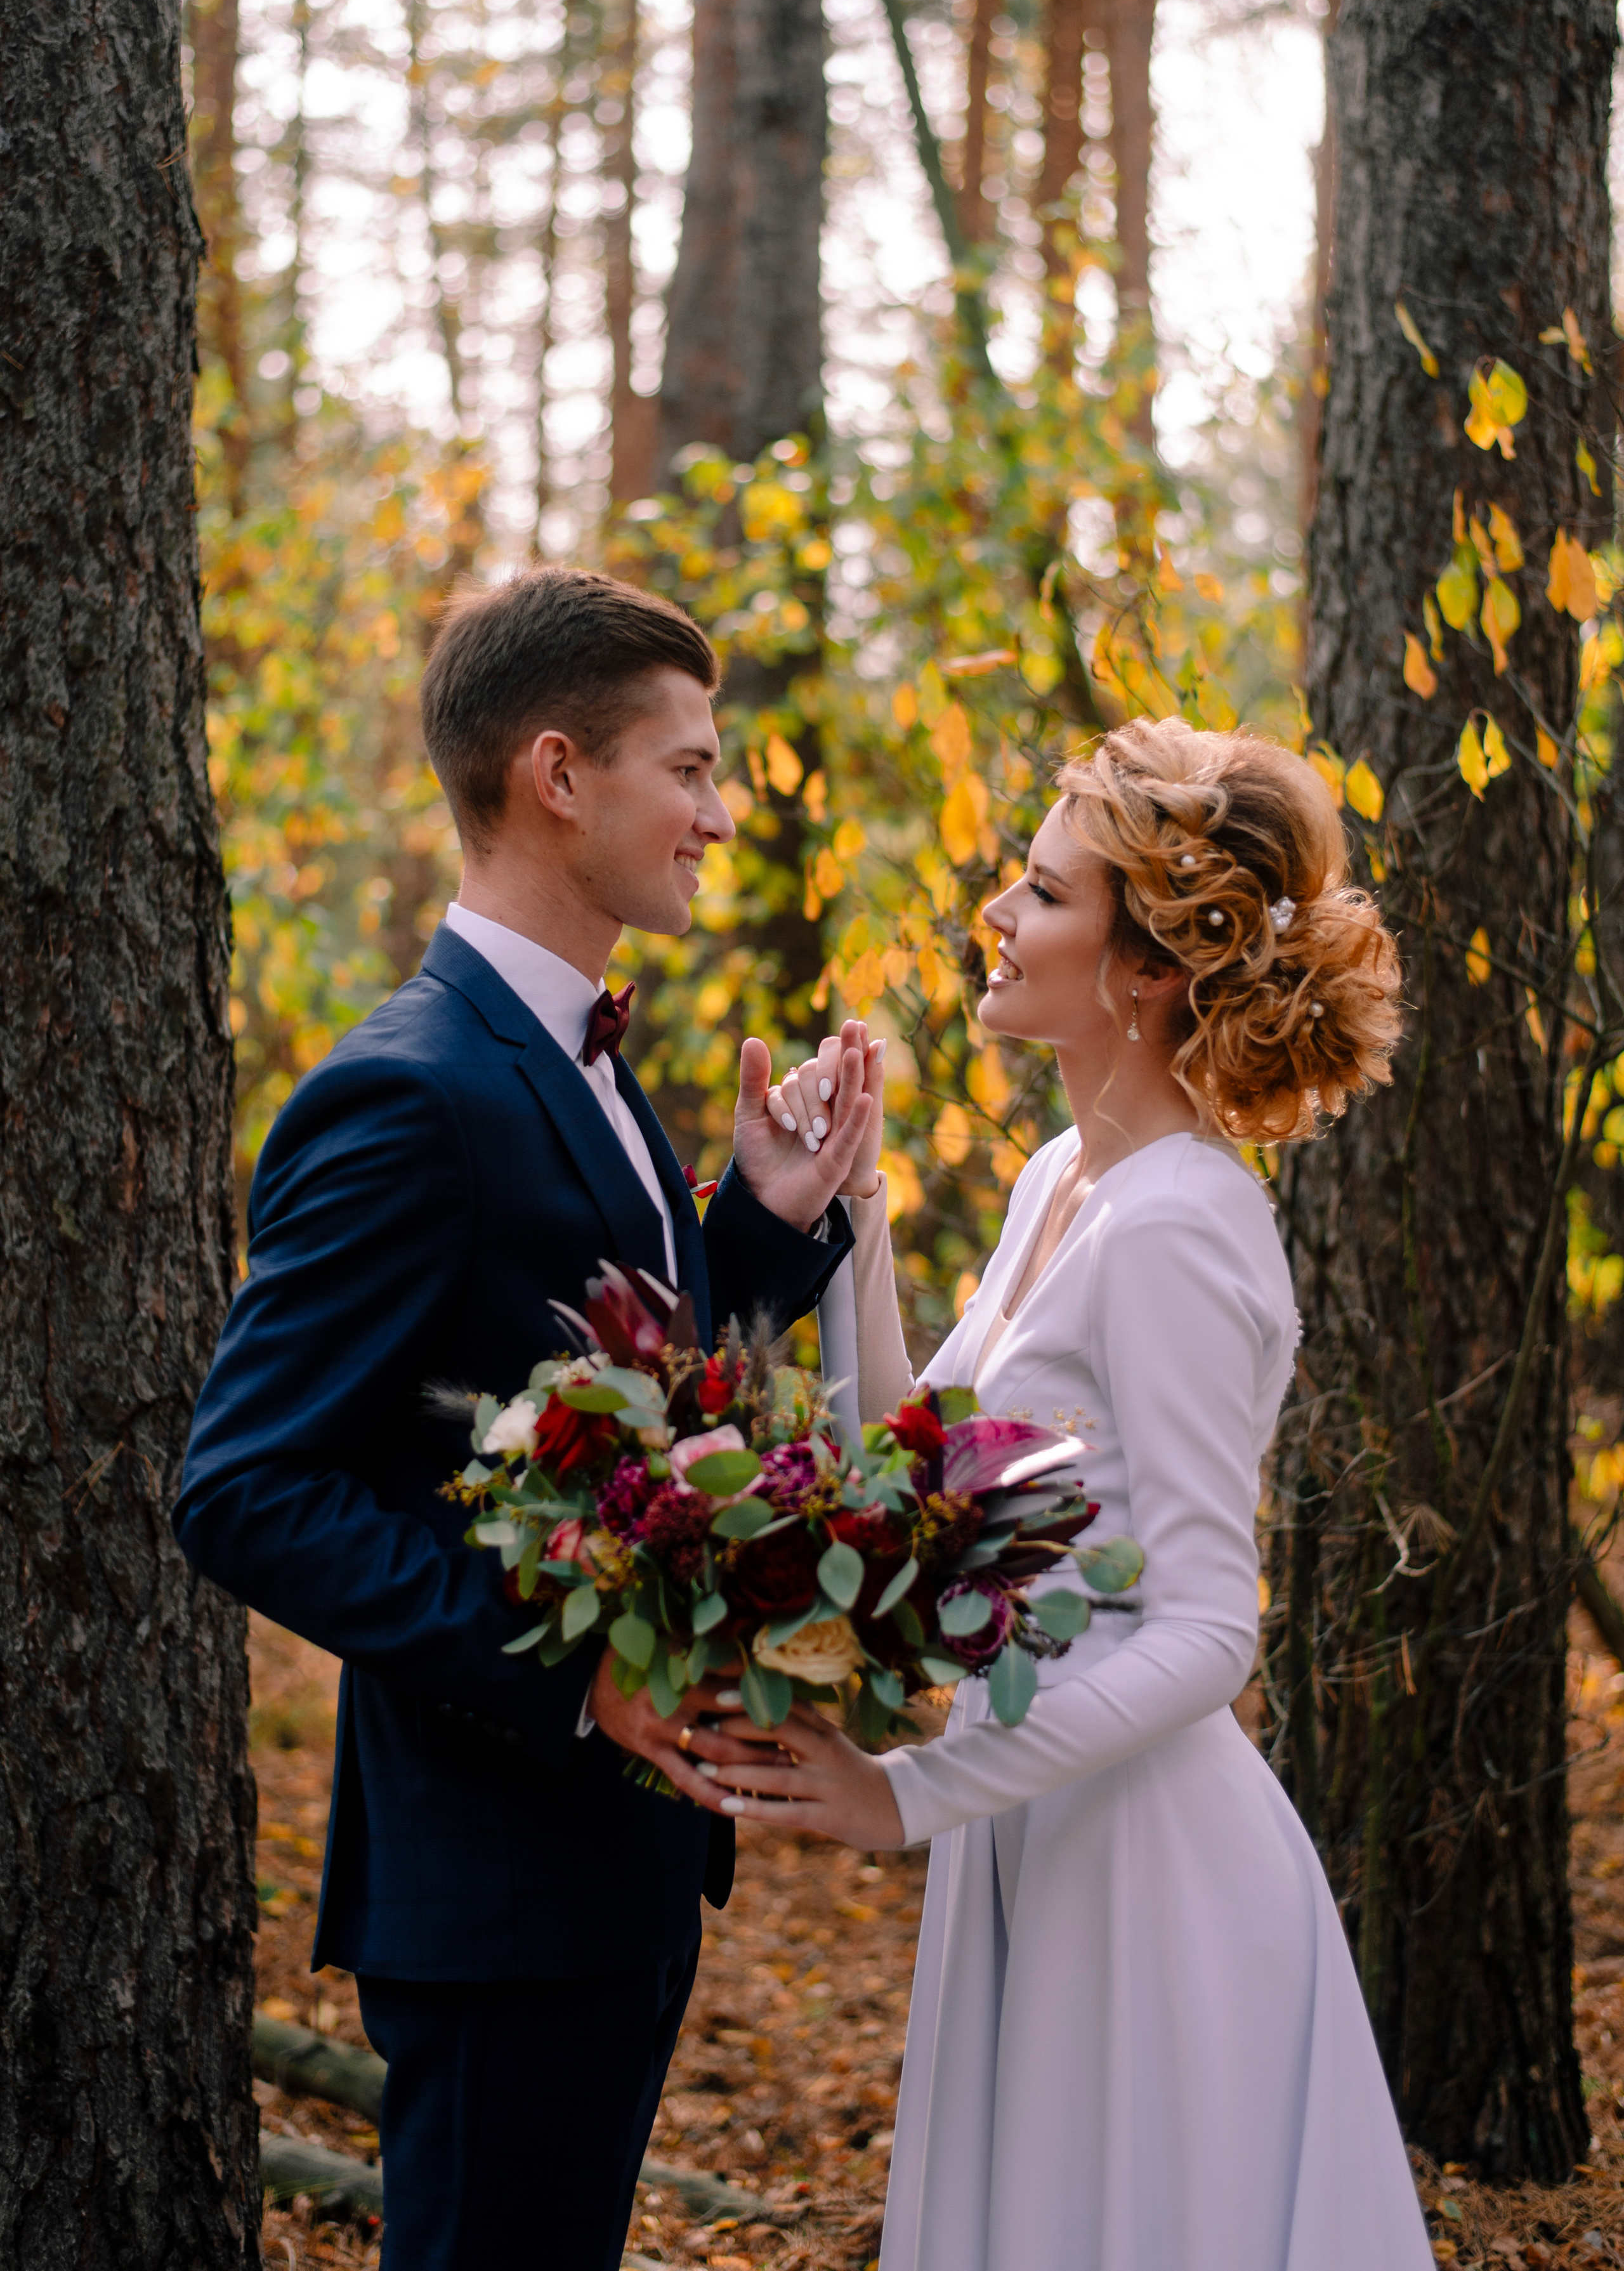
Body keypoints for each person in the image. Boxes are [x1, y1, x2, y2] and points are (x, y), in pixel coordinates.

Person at [173, 566, 877, 2271]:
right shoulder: (406, 1091)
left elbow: (631, 1396)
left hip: (607, 1870)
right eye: (689, 769)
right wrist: (580, 1676)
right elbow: (245, 1482)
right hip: (491, 1867)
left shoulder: (590, 1062)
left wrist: (761, 1231)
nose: (718, 815)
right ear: (558, 777)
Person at [691, 716, 1436, 2270]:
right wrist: (855, 1211)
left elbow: (1205, 1637)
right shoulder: (1061, 1183)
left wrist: (904, 1796)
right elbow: (916, 1460)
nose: (997, 916)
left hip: (1144, 1874)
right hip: (1030, 1822)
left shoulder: (1179, 1230)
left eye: (1038, 892)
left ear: (1146, 970)